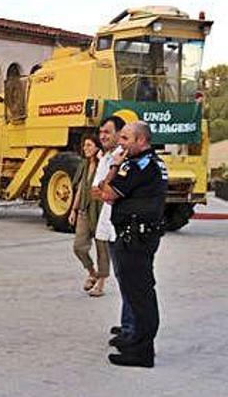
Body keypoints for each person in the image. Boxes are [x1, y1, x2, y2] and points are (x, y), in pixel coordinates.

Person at [97, 121, 168, 368]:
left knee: (140, 295)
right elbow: (102, 190)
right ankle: (135, 338)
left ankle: (142, 351)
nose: (120, 142)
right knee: (136, 292)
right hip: (136, 235)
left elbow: (105, 193)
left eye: (125, 138)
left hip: (136, 238)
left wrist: (114, 166)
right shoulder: (146, 162)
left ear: (141, 141)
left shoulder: (139, 165)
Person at [90, 116, 133, 340]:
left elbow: (108, 190)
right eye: (101, 132)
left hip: (122, 227)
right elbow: (96, 190)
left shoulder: (123, 160)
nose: (103, 136)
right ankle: (127, 324)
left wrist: (105, 188)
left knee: (129, 280)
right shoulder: (106, 158)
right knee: (123, 278)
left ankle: (131, 330)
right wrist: (104, 188)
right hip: (109, 223)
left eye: (108, 132)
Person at [68, 134, 110, 297]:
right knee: (79, 246)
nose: (85, 148)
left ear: (98, 147)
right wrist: (73, 209)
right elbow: (80, 189)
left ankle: (101, 283)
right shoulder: (84, 165)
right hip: (85, 209)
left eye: (89, 145)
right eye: (84, 145)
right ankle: (92, 272)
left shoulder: (104, 164)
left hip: (100, 210)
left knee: (102, 248)